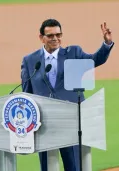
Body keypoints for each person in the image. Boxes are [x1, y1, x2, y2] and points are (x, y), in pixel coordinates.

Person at [21, 19, 114, 171]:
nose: (55, 38)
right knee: (47, 167)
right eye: (50, 35)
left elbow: (94, 60)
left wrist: (107, 44)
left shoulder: (73, 53)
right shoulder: (30, 60)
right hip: (43, 123)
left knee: (74, 166)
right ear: (41, 37)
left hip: (71, 121)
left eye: (58, 34)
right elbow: (27, 92)